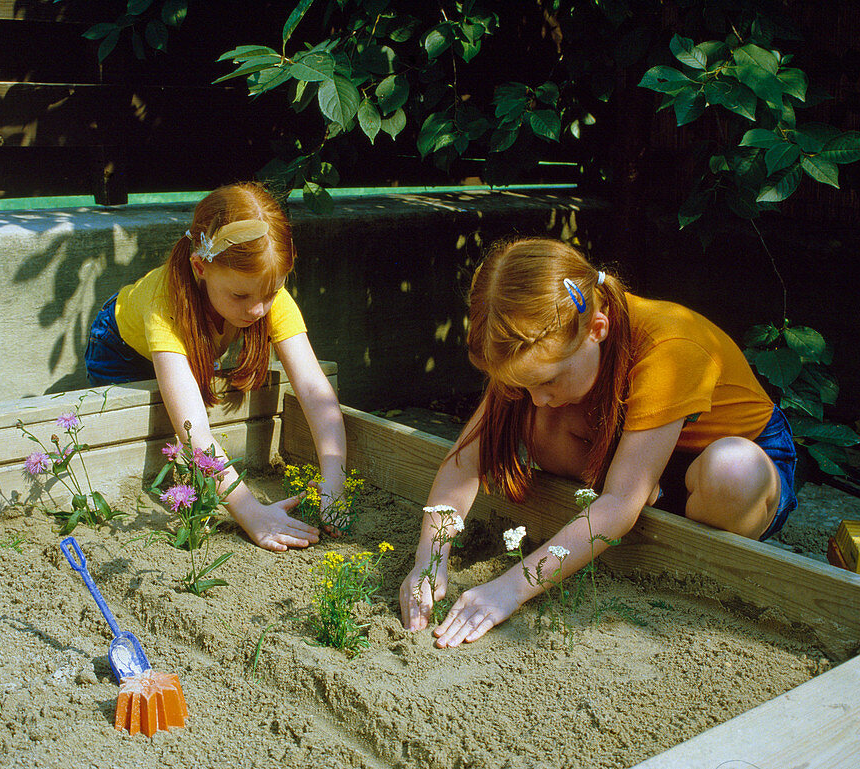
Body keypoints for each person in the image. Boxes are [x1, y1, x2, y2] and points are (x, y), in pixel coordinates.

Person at [400, 237, 797, 647]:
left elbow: (619, 503)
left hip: (733, 457)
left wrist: (508, 589)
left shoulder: (671, 346)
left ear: (597, 330)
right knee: (544, 422)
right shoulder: (545, 346)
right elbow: (466, 461)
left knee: (732, 474)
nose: (537, 399)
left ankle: (671, 517)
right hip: (636, 459)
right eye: (524, 386)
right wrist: (429, 560)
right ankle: (652, 499)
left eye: (548, 380)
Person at [84, 182, 346, 551]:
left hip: (193, 340)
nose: (257, 310)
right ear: (200, 267)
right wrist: (252, 513)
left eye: (270, 294)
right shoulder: (167, 305)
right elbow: (195, 433)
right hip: (121, 354)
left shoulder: (260, 289)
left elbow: (316, 392)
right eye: (240, 295)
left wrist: (334, 481)